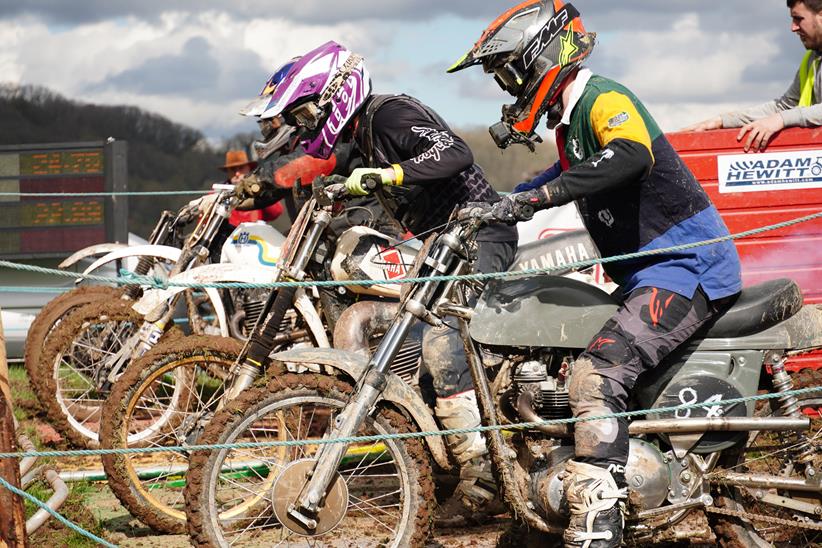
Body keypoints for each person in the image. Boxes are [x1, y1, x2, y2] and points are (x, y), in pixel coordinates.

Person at [448, 1, 742, 546]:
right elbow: (564, 171)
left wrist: (538, 195)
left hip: (685, 267)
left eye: (511, 72)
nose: (509, 88)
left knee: (596, 376)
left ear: (544, 55)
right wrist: (499, 203)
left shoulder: (603, 98)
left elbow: (630, 155)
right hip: (646, 276)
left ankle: (598, 524)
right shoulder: (571, 124)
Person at [253, 40, 519, 508]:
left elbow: (454, 153)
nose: (303, 126)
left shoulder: (389, 114)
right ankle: (442, 464)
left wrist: (389, 175)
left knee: (443, 342)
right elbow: (353, 173)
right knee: (405, 343)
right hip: (444, 244)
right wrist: (342, 187)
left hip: (481, 232)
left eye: (304, 114)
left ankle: (485, 479)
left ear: (333, 96)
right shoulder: (362, 134)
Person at [686, 0, 822, 151]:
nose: (793, 27)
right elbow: (783, 107)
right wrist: (722, 121)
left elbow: (781, 115)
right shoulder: (812, 60)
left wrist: (782, 119)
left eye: (798, 18)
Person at [217, 149, 285, 226]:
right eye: (233, 169)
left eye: (241, 168)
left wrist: (259, 193)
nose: (237, 173)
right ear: (227, 171)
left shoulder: (258, 188)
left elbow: (276, 212)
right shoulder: (217, 192)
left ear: (249, 168)